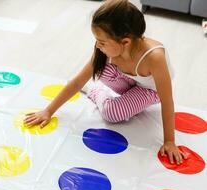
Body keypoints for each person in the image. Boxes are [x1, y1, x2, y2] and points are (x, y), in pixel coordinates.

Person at [24, 0, 186, 164]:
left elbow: (167, 101)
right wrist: (48, 111)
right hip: (129, 80)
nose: (97, 45)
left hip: (151, 91)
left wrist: (169, 141)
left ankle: (95, 91)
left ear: (125, 42)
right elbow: (78, 81)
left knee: (112, 113)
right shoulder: (108, 50)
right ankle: (97, 89)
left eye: (102, 42)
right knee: (99, 68)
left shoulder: (154, 57)